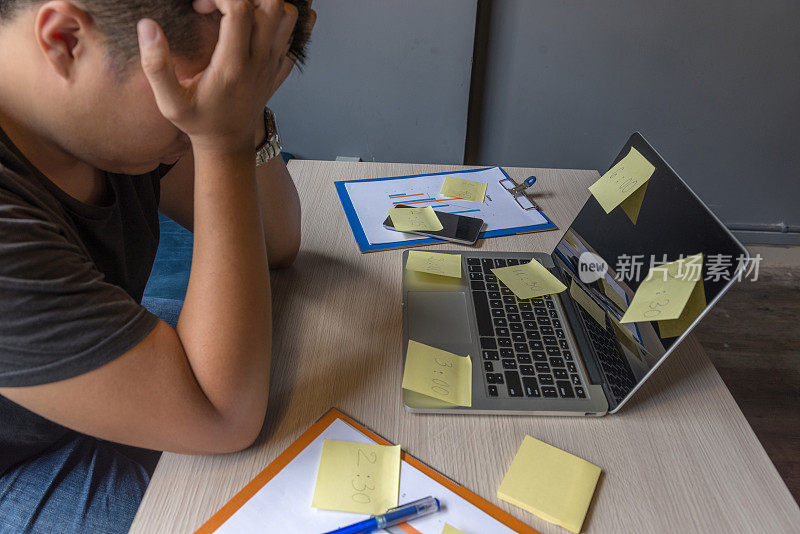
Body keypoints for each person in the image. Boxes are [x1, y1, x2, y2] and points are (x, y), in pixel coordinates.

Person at [0, 0, 315, 531]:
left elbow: (276, 244)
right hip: (17, 460)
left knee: (306, 361)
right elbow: (223, 415)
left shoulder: (97, 116)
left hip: (81, 385)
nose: (195, 116)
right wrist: (222, 138)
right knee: (266, 510)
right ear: (64, 41)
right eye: (198, 93)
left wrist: (242, 113)